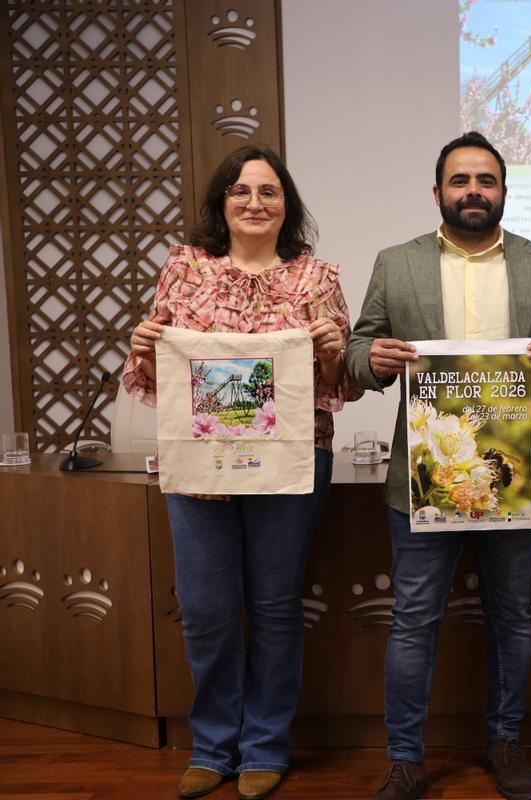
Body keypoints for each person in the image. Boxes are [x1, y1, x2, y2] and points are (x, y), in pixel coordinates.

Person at [345, 131, 531, 800]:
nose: (473, 191)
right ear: (438, 193)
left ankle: (505, 743)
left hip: (514, 477)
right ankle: (404, 757)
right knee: (414, 619)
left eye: (486, 180)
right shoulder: (396, 264)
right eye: (460, 181)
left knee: (512, 617)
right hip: (426, 479)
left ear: (504, 191)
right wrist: (372, 361)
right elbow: (357, 348)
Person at [124, 145, 360, 800]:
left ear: (287, 205)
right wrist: (142, 347)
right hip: (200, 462)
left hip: (291, 460)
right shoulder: (184, 270)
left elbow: (337, 384)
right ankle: (212, 746)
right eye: (240, 191)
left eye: (268, 191)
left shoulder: (316, 279)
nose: (254, 202)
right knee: (205, 610)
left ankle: (264, 746)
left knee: (277, 607)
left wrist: (333, 353)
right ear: (220, 204)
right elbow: (155, 376)